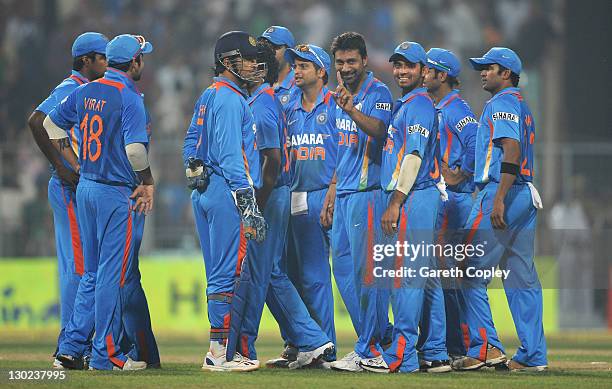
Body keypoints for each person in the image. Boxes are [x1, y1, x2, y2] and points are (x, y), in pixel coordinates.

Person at [44, 34, 159, 371]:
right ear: (134, 62)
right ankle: (105, 355)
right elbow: (135, 151)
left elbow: (51, 124)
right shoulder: (129, 97)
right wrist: (148, 182)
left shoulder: (84, 90)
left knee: (92, 274)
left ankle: (69, 349)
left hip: (86, 189)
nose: (143, 63)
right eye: (142, 58)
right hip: (113, 193)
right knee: (112, 274)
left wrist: (74, 162)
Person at [451, 47, 547, 372]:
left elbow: (511, 148)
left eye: (489, 68)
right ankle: (533, 355)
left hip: (501, 189)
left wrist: (500, 197)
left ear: (506, 73)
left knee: (468, 269)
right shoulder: (522, 105)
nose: (482, 72)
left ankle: (486, 348)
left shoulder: (501, 103)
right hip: (525, 194)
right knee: (521, 278)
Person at [359, 41, 448, 373]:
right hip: (412, 197)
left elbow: (413, 156)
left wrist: (395, 202)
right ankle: (420, 353)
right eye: (397, 65)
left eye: (408, 66)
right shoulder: (407, 103)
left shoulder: (420, 105)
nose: (400, 71)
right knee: (415, 279)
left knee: (406, 279)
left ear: (423, 70)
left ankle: (402, 354)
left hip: (413, 197)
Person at [182, 30, 266, 372]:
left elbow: (189, 145)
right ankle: (217, 354)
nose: (254, 65)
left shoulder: (208, 95)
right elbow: (233, 156)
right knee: (227, 274)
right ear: (229, 61)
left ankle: (218, 350)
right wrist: (247, 203)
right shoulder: (232, 99)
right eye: (247, 59)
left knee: (217, 272)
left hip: (204, 191)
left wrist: (196, 172)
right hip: (226, 194)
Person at [27, 32, 108, 369]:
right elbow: (36, 121)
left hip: (78, 185)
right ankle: (71, 347)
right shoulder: (71, 87)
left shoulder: (88, 90)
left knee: (82, 265)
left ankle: (77, 343)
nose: (107, 63)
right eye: (102, 58)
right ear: (86, 60)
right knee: (78, 267)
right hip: (69, 186)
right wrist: (62, 166)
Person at [321, 32, 393, 372]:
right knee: (344, 273)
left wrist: (351, 110)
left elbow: (380, 130)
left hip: (368, 194)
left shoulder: (378, 92)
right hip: (345, 194)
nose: (346, 67)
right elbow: (341, 149)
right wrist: (332, 188)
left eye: (352, 61)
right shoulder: (339, 95)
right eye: (340, 62)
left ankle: (370, 348)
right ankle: (376, 338)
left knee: (368, 274)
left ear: (364, 61)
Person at [265, 43, 338, 368]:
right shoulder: (287, 105)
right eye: (295, 65)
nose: (296, 70)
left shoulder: (335, 104)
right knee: (290, 273)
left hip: (322, 193)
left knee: (315, 276)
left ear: (321, 72)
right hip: (292, 194)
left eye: (304, 66)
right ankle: (297, 345)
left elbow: (347, 152)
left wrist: (334, 190)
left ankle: (325, 346)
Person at [423, 47, 477, 360]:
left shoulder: (456, 108)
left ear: (442, 75)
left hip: (453, 200)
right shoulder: (439, 106)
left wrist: (459, 176)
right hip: (445, 198)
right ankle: (450, 344)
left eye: (429, 70)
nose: (423, 74)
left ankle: (457, 346)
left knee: (447, 275)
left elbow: (474, 139)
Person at [259, 25, 296, 106]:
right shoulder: (255, 83)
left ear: (289, 53)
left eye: (275, 47)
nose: (269, 52)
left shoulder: (300, 85)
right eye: (265, 46)